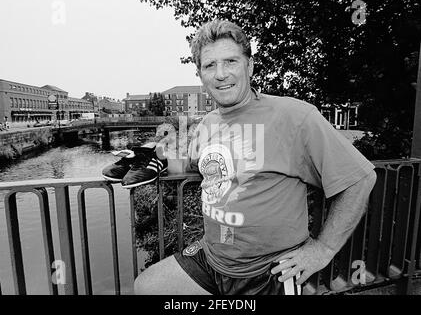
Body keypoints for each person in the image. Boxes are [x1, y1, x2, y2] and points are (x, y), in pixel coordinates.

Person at [134, 19, 377, 295]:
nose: (220, 73)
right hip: (212, 261)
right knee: (147, 287)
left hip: (269, 272)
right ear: (201, 75)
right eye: (209, 65)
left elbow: (360, 179)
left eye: (231, 62)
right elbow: (191, 165)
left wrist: (324, 248)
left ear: (249, 66)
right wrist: (156, 158)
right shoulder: (207, 124)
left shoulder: (294, 116)